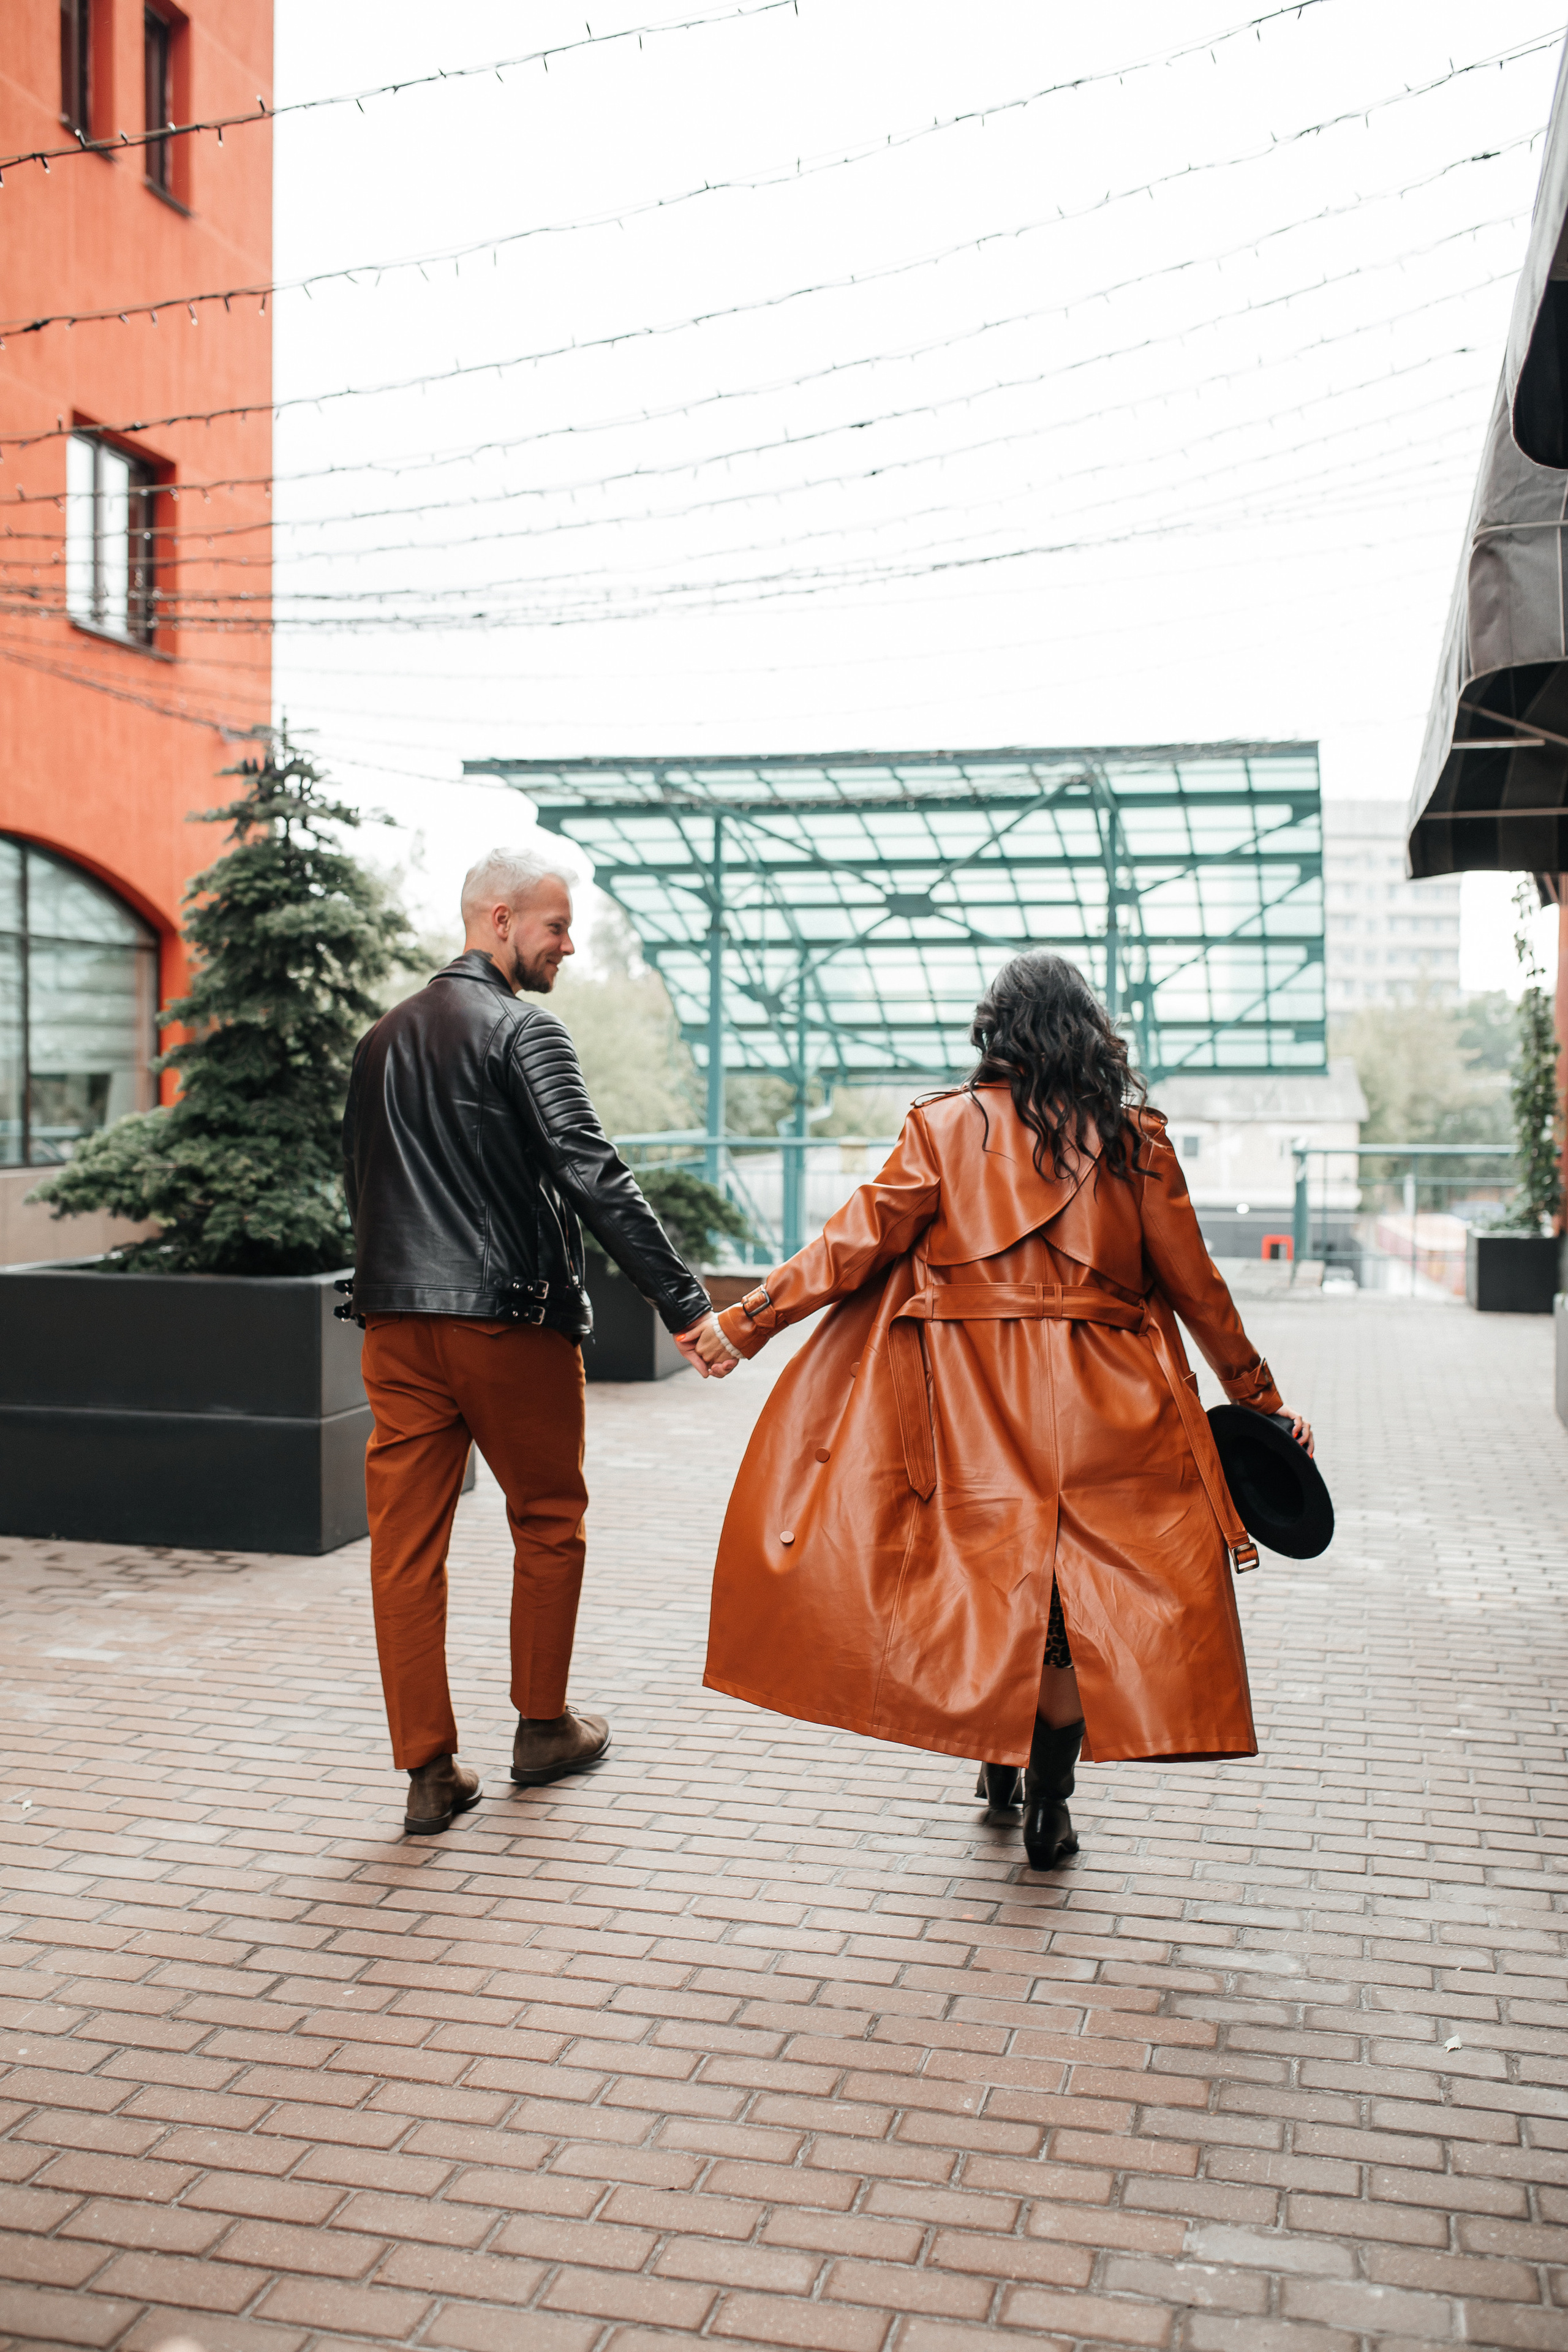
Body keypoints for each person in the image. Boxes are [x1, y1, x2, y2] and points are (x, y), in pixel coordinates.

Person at [688, 951, 1314, 1872]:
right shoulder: (1138, 1142)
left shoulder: (943, 1129)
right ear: (1089, 1033)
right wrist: (1260, 1400)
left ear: (997, 1032)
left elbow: (850, 1246)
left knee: (993, 1579)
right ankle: (1049, 1805)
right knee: (1068, 1600)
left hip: (972, 1400)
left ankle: (998, 1755)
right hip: (1112, 1406)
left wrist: (746, 1323)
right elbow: (1199, 1292)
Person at [341, 846, 734, 1835]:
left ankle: (429, 1772)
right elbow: (595, 1175)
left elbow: (362, 1183)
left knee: (404, 1550)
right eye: (558, 927)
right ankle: (542, 1727)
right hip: (507, 1321)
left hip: (394, 1325)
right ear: (502, 919)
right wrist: (688, 1305)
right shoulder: (524, 1030)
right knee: (549, 1518)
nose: (569, 946)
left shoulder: (381, 1039)